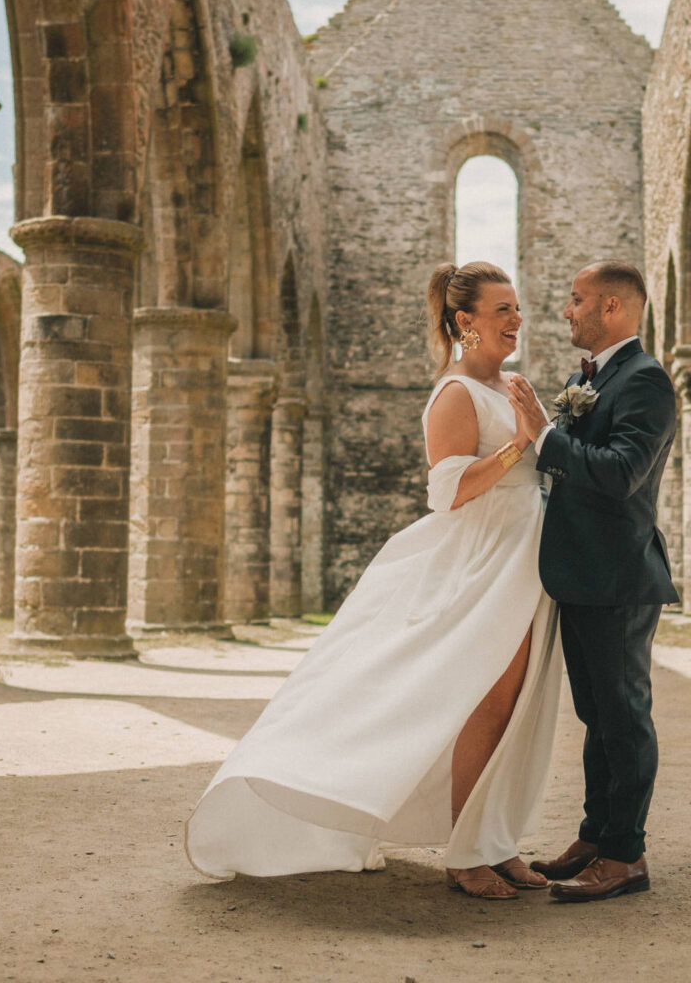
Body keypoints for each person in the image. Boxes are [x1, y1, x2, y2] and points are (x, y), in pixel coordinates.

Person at [186, 261, 562, 901]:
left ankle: (495, 842)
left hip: (525, 557)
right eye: (503, 309)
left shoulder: (514, 385)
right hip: (482, 559)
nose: (517, 319)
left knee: (514, 706)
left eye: (517, 308)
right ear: (465, 320)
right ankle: (465, 854)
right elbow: (448, 492)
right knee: (481, 703)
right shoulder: (454, 394)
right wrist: (519, 444)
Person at [509, 261, 678, 903]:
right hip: (582, 572)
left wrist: (544, 434)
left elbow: (620, 472)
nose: (566, 311)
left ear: (611, 307)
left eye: (576, 299)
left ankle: (625, 856)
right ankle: (596, 835)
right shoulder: (591, 378)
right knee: (597, 716)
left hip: (618, 575)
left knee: (624, 716)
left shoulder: (645, 379)